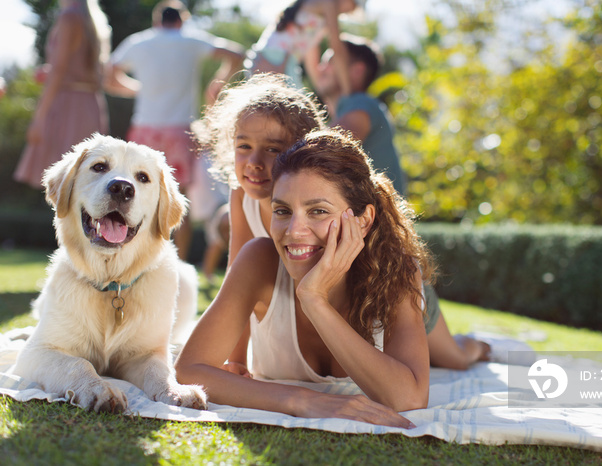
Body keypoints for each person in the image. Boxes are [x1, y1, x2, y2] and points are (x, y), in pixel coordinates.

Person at [197, 73, 491, 372]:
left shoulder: (331, 198)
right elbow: (237, 277)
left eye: (273, 149)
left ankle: (474, 345)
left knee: (452, 358)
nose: (254, 162)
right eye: (243, 146)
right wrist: (235, 360)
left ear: (304, 150)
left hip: (385, 286)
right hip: (321, 302)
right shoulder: (241, 195)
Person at [176, 128, 431, 425]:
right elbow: (190, 369)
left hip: (388, 284)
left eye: (318, 211)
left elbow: (408, 399)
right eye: (282, 211)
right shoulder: (259, 260)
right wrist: (302, 400)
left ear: (364, 220)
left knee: (454, 355)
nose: (294, 231)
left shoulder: (397, 268)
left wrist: (314, 300)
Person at [104, 0, 245, 261]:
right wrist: (217, 85)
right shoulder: (191, 40)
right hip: (181, 131)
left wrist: (137, 89)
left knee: (137, 197)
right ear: (182, 20)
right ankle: (176, 263)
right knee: (177, 200)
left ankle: (137, 258)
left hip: (145, 131)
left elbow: (109, 74)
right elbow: (237, 54)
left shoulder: (139, 42)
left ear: (158, 21)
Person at [14, 0, 111, 190]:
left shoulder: (69, 18)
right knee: (84, 181)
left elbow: (59, 69)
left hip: (68, 105)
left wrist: (39, 118)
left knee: (62, 182)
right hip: (91, 103)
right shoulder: (93, 19)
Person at [307, 34, 406, 194]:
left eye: (330, 62)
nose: (320, 69)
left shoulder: (361, 104)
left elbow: (323, 150)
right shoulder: (351, 107)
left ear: (357, 71)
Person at [247, 0, 362, 91]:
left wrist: (322, 91)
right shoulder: (328, 3)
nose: (347, 11)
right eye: (352, 4)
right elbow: (337, 47)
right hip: (275, 58)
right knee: (295, 110)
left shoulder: (318, 21)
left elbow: (311, 58)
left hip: (282, 60)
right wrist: (347, 90)